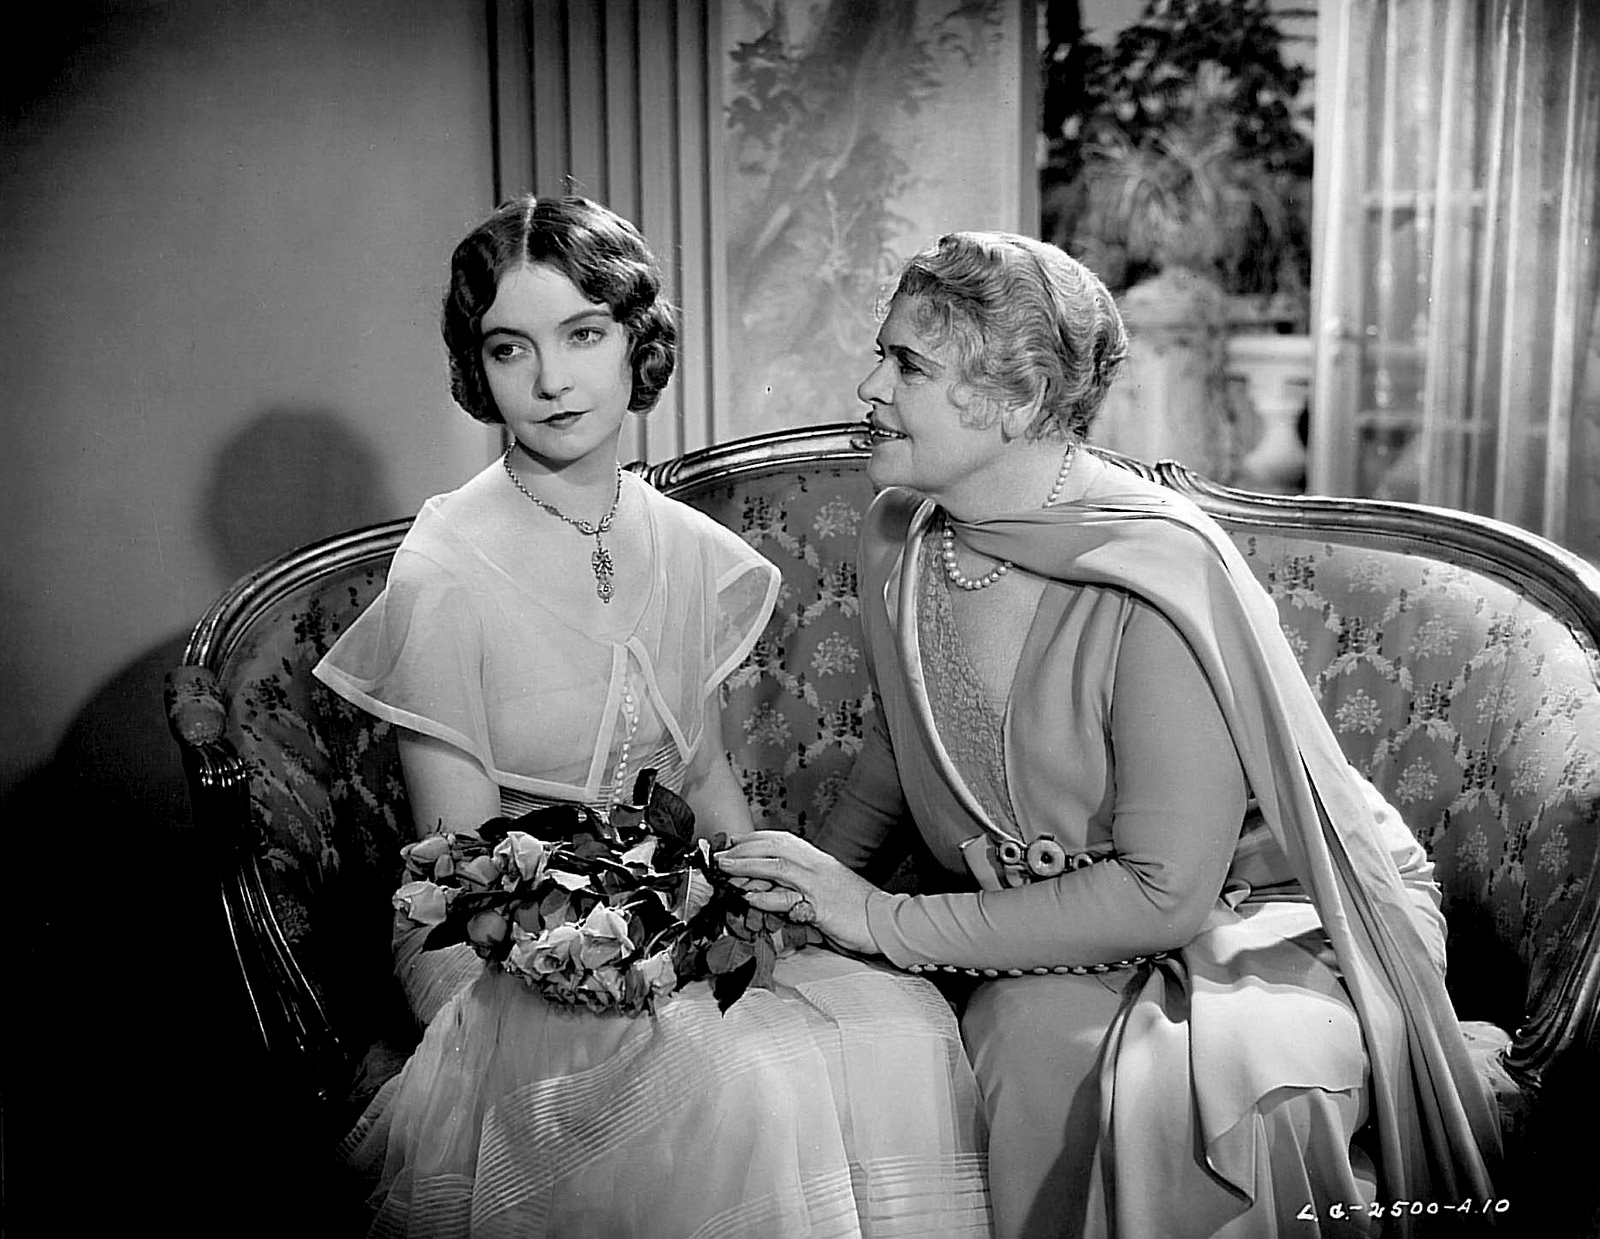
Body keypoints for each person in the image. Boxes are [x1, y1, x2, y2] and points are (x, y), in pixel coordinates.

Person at [716, 231, 1503, 1237]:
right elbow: (904, 740)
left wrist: (876, 916)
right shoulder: (899, 530)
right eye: (883, 355)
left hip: (1267, 908)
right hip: (1072, 924)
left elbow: (1166, 891)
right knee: (1032, 1050)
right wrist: (804, 896)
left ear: (1021, 399)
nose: (869, 387)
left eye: (907, 364)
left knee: (1221, 1094)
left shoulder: (1153, 571)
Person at [313, 196, 990, 1239]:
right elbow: (462, 866)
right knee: (733, 1077)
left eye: (583, 335)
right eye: (510, 348)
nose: (551, 380)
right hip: (494, 936)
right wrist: (608, 946)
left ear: (638, 341)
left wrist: (768, 899)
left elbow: (703, 775)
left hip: (664, 903)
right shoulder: (445, 566)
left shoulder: (684, 546)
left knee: (900, 1026)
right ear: (477, 369)